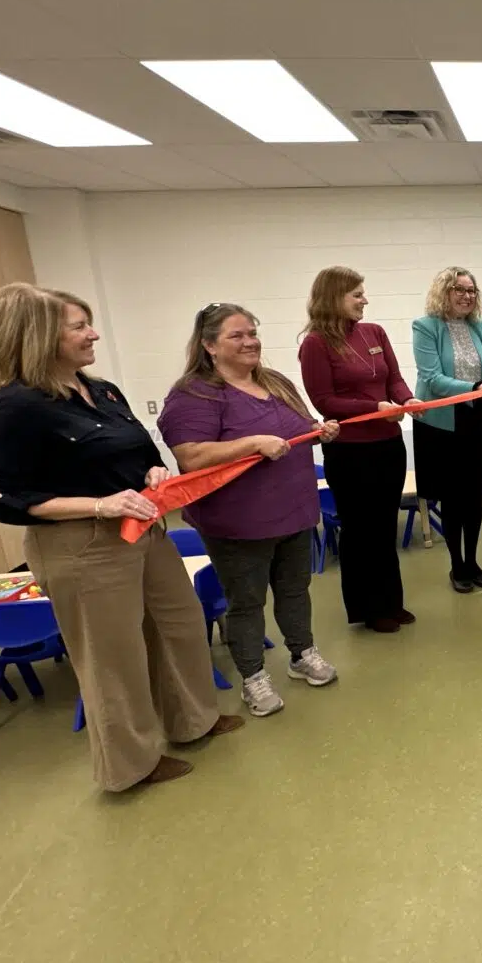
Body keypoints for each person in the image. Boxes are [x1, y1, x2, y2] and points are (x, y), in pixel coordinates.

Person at [0, 283, 243, 791]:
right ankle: (130, 765)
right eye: (79, 326)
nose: (93, 333)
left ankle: (192, 721)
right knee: (111, 656)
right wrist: (100, 504)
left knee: (178, 624)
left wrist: (153, 473)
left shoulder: (101, 390)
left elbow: (140, 450)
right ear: (39, 337)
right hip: (82, 544)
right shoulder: (17, 407)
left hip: (142, 530)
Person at [157, 303, 341, 717]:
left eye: (252, 332)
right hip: (238, 522)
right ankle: (253, 677)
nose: (250, 341)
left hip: (293, 510)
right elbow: (191, 455)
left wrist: (319, 431)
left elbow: (299, 428)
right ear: (208, 346)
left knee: (295, 591)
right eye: (236, 335)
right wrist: (252, 442)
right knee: (246, 602)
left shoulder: (273, 381)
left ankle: (301, 654)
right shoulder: (195, 394)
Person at [299, 267, 415, 632]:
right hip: (350, 453)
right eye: (357, 294)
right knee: (360, 529)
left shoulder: (374, 333)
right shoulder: (315, 343)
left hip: (388, 445)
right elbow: (324, 400)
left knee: (384, 526)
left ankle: (391, 603)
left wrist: (408, 400)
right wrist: (374, 409)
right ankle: (368, 609)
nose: (365, 300)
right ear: (334, 298)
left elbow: (393, 378)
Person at [411, 267, 482, 592]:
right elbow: (432, 379)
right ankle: (456, 565)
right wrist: (477, 386)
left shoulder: (478, 326)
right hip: (440, 425)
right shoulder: (426, 327)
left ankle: (472, 561)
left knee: (473, 497)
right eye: (459, 289)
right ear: (443, 292)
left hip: (472, 419)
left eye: (471, 290)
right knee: (452, 498)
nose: (467, 296)